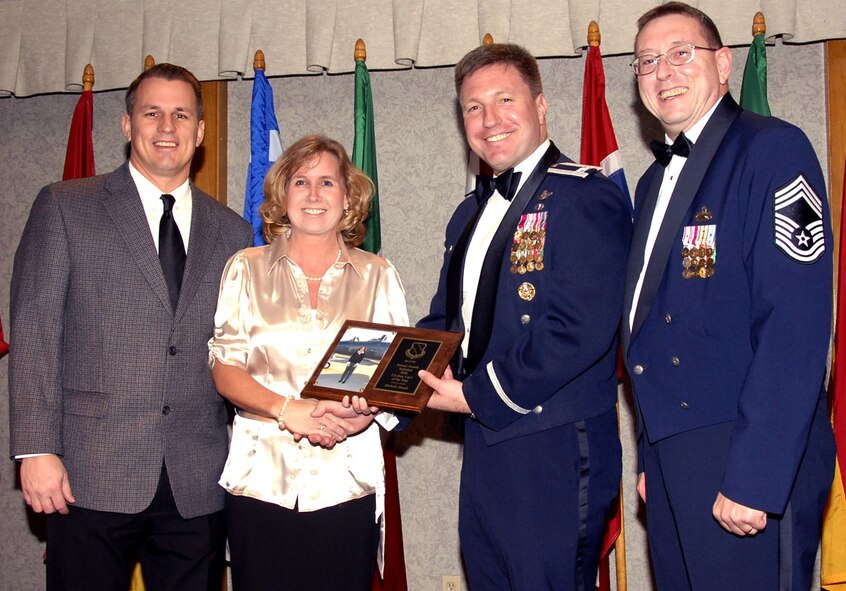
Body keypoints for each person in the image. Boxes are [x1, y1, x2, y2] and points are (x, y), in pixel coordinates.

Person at [8, 63, 252, 590]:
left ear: (201, 131)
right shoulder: (66, 206)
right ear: (126, 125)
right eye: (152, 112)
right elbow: (34, 333)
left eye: (181, 114)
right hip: (89, 472)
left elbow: (245, 345)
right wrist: (35, 449)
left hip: (197, 478)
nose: (167, 126)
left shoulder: (233, 231)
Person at [623, 3, 835, 589]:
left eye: (680, 53)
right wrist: (652, 455)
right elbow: (648, 330)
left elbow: (794, 324)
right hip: (675, 458)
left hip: (745, 450)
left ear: (724, 64)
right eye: (647, 61)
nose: (662, 71)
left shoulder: (772, 150)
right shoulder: (649, 184)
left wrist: (756, 476)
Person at [417, 43, 632, 589]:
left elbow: (576, 329)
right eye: (473, 107)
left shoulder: (586, 196)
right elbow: (448, 319)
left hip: (554, 443)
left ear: (540, 106)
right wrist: (385, 389)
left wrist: (475, 396)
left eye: (504, 100)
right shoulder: (468, 211)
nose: (489, 120)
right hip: (485, 443)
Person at [208, 134, 408, 591]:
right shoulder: (245, 267)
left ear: (348, 197)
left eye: (327, 182)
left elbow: (394, 379)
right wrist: (287, 409)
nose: (314, 195)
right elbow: (224, 368)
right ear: (282, 195)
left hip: (346, 479)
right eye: (301, 181)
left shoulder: (379, 275)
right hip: (260, 481)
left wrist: (360, 418)